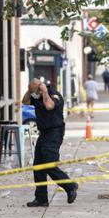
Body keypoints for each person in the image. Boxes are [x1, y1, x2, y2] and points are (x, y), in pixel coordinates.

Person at [22, 78, 78, 207]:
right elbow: (25, 101)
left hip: (54, 133)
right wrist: (30, 90)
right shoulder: (36, 96)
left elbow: (49, 106)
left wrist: (44, 91)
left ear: (41, 89)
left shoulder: (53, 95)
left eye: (35, 91)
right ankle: (41, 198)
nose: (34, 95)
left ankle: (70, 186)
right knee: (38, 166)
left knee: (48, 164)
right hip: (44, 133)